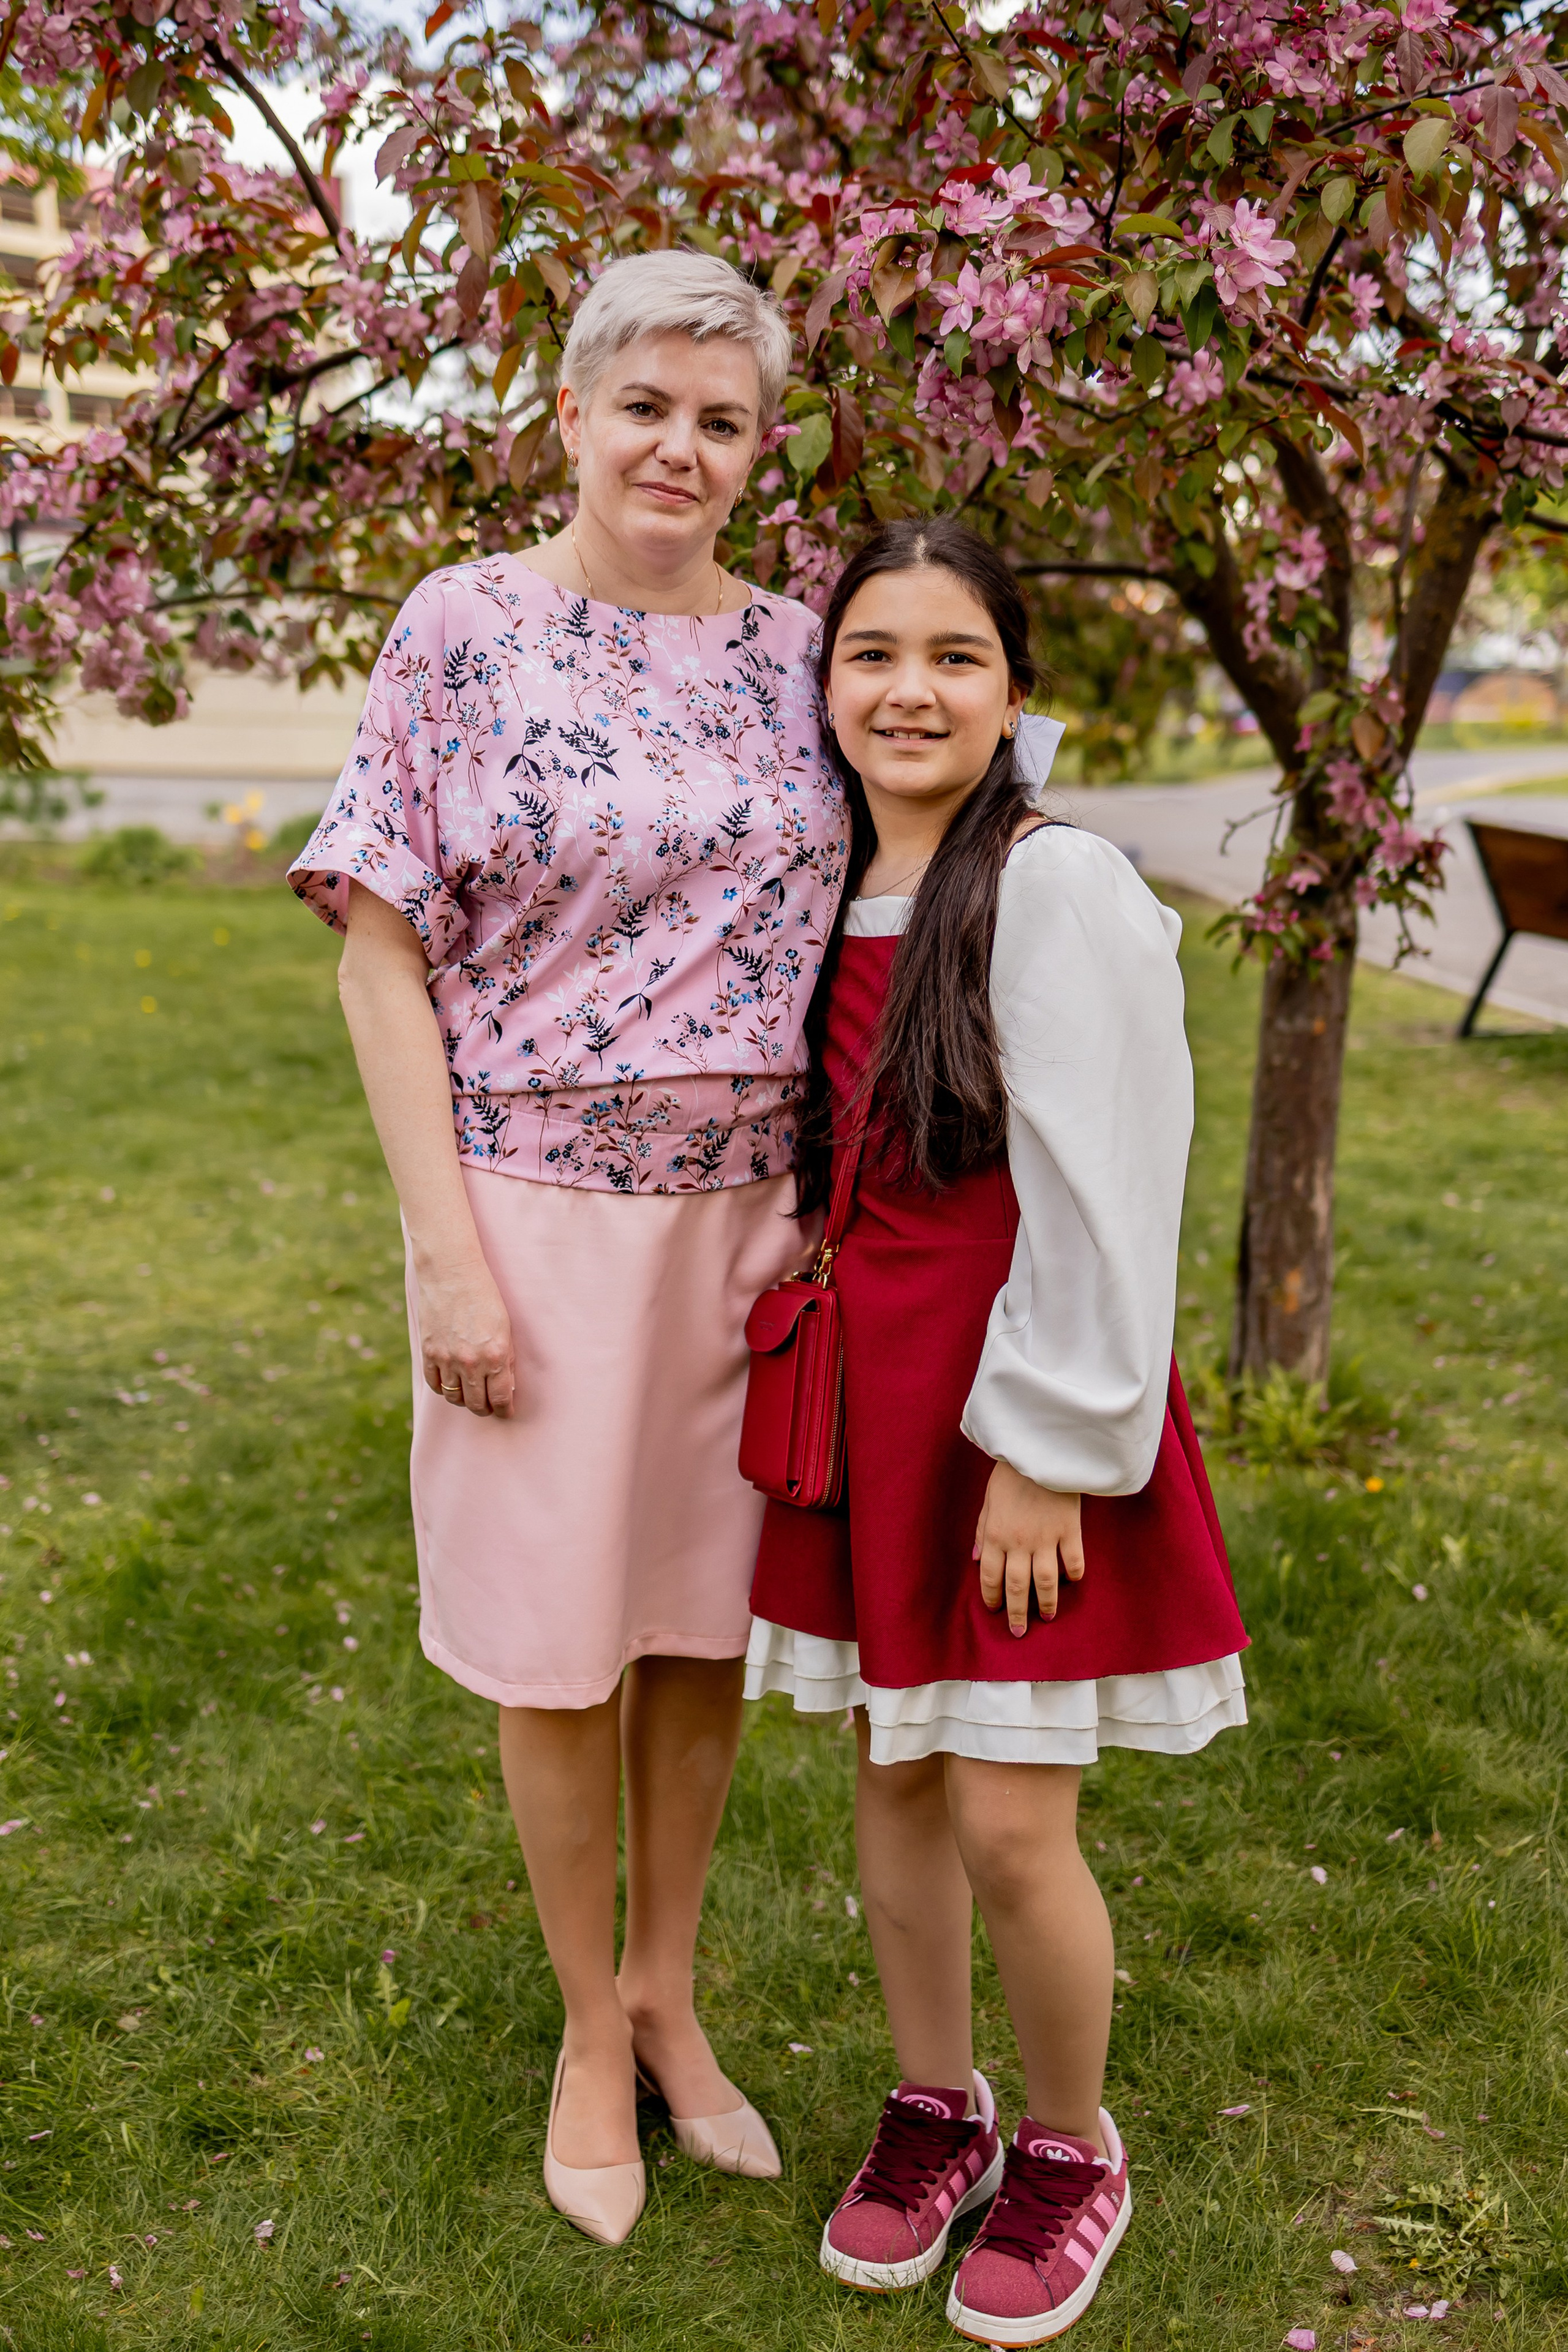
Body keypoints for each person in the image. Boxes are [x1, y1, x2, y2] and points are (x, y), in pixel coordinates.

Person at [288, 250, 846, 2247]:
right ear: (572, 415)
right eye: (647, 409)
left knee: (698, 1632)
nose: (679, 450)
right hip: (527, 1206)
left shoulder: (805, 651)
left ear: (757, 450)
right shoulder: (466, 627)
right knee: (555, 1646)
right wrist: (444, 1255)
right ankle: (578, 2033)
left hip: (753, 1228)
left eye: (722, 421)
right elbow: (377, 954)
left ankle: (667, 1995)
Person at [744, 518, 1248, 2345]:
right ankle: (935, 2099)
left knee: (1012, 1818)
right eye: (872, 651)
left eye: (956, 655)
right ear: (826, 685)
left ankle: (1068, 2142)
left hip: (1013, 1404)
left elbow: (1108, 1184)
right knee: (892, 1783)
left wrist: (1045, 1443)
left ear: (1015, 691)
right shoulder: (833, 889)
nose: (910, 688)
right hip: (881, 1401)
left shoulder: (1052, 885)